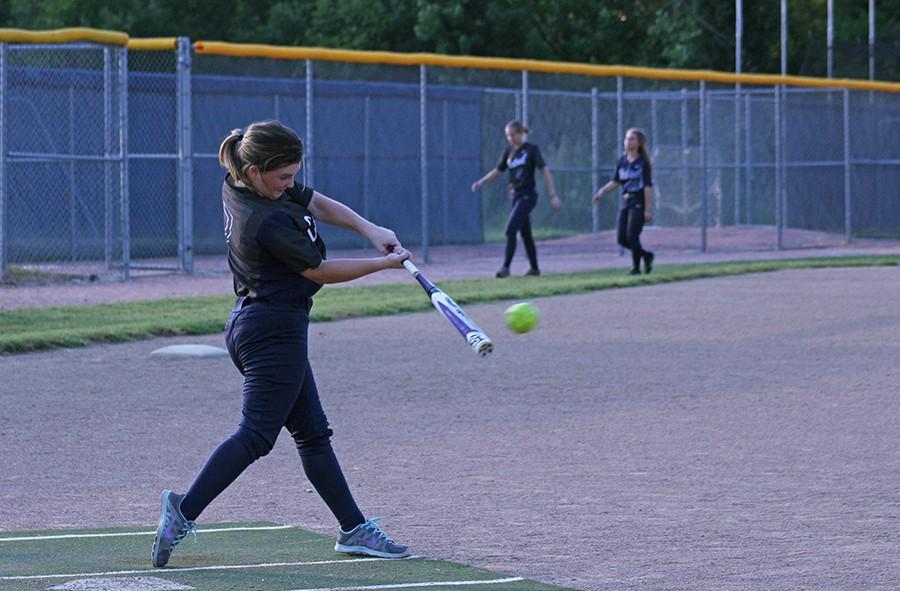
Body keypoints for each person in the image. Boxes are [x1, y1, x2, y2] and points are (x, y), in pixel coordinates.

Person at [151, 120, 412, 568]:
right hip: (272, 330)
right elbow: (319, 272)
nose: (290, 184)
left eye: (292, 174)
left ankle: (353, 528)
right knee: (256, 436)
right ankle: (183, 510)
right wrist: (383, 263)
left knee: (312, 433)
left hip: (260, 323)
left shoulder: (246, 182)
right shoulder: (265, 219)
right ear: (254, 171)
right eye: (282, 177)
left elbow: (313, 200)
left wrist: (370, 228)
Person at [471, 120, 562, 278]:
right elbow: (498, 171)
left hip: (528, 195)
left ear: (521, 133)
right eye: (508, 135)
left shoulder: (531, 150)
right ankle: (534, 268)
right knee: (526, 233)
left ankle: (505, 268)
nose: (510, 138)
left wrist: (552, 194)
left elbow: (545, 171)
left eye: (513, 134)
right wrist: (481, 182)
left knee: (510, 230)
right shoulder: (509, 153)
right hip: (515, 196)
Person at [592, 128, 655, 275]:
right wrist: (602, 191)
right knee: (622, 239)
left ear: (639, 143)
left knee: (633, 235)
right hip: (626, 201)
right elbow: (616, 181)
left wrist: (648, 209)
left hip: (638, 201)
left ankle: (636, 268)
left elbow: (647, 187)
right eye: (627, 138)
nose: (628, 141)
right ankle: (646, 256)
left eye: (632, 139)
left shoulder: (642, 162)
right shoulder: (622, 160)